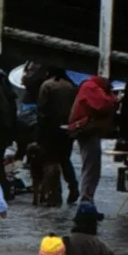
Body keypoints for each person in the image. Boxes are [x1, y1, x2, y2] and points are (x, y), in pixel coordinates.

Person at [67, 73, 116, 206]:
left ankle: (87, 199)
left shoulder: (90, 86)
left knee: (91, 166)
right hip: (88, 131)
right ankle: (85, 201)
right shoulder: (91, 87)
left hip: (88, 130)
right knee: (91, 167)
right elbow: (104, 104)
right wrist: (113, 97)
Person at [35, 70, 82, 205]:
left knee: (51, 161)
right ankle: (73, 186)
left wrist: (40, 133)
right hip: (67, 128)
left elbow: (41, 110)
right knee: (65, 159)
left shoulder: (47, 86)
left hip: (50, 129)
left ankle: (54, 194)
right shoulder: (72, 86)